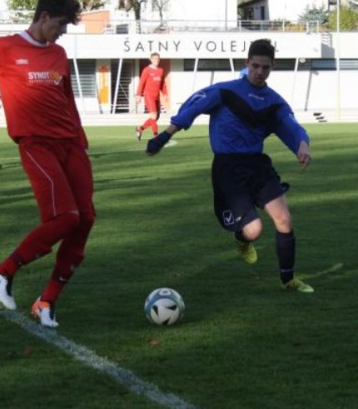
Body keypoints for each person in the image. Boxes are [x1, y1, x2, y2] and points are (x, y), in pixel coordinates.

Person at [0, 0, 94, 328]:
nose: (62, 32)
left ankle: (46, 302)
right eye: (60, 24)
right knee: (64, 217)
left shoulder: (58, 54)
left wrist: (81, 141)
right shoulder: (5, 47)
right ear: (43, 17)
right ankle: (2, 271)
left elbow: (67, 100)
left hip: (70, 144)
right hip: (36, 144)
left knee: (85, 219)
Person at [146, 38, 314, 293]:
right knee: (254, 230)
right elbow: (194, 106)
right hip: (228, 168)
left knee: (284, 220)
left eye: (265, 67)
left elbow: (289, 124)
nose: (259, 72)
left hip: (258, 165)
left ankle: (288, 280)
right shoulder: (225, 92)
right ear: (247, 63)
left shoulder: (274, 101)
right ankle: (241, 238)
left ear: (272, 67)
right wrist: (164, 135)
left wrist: (302, 143)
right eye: (255, 66)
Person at [134, 52, 167, 140]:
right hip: (148, 95)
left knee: (156, 118)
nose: (157, 60)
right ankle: (156, 136)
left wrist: (165, 93)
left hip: (157, 96)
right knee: (153, 116)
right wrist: (138, 95)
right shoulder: (146, 70)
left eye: (158, 59)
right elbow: (142, 83)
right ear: (151, 59)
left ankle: (140, 129)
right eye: (155, 59)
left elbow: (163, 84)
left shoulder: (161, 70)